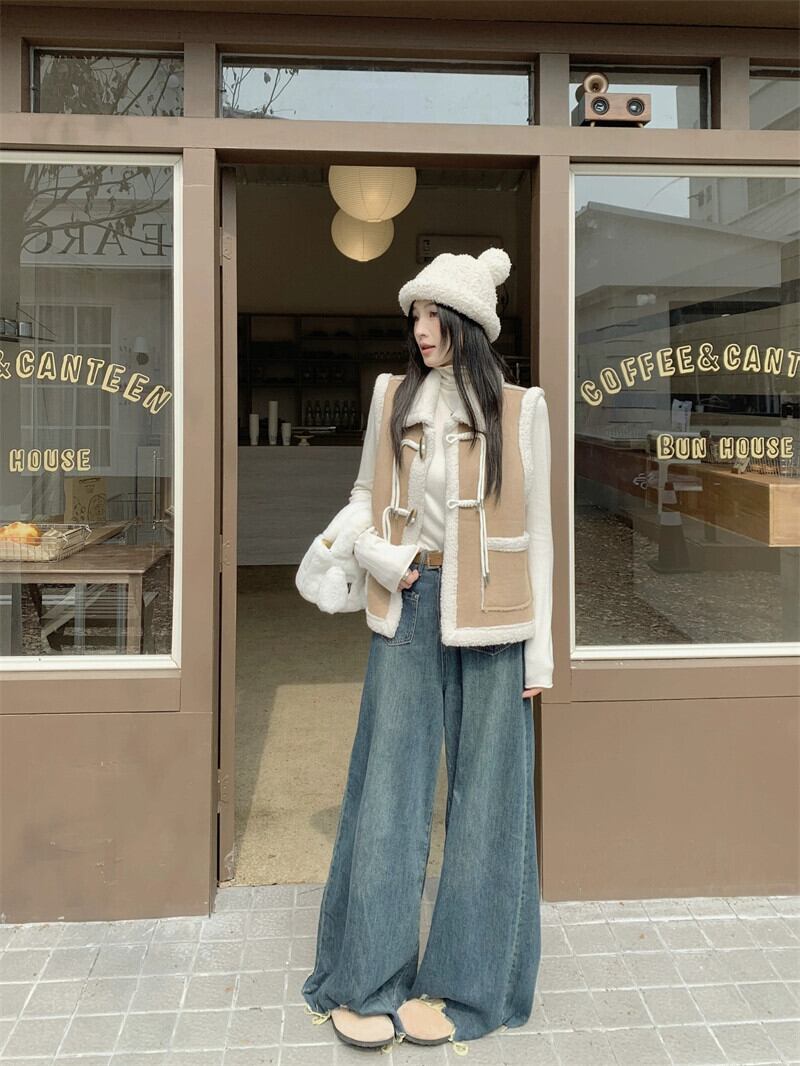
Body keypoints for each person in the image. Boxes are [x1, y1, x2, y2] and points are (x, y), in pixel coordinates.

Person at [295, 246, 553, 1056]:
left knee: (489, 807)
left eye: (435, 314)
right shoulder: (391, 397)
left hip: (496, 618)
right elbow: (363, 498)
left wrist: (540, 656)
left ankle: (471, 988)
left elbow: (540, 535)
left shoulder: (523, 410)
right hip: (409, 600)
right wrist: (382, 557)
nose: (421, 329)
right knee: (389, 797)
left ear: (470, 322)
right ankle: (366, 979)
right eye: (415, 315)